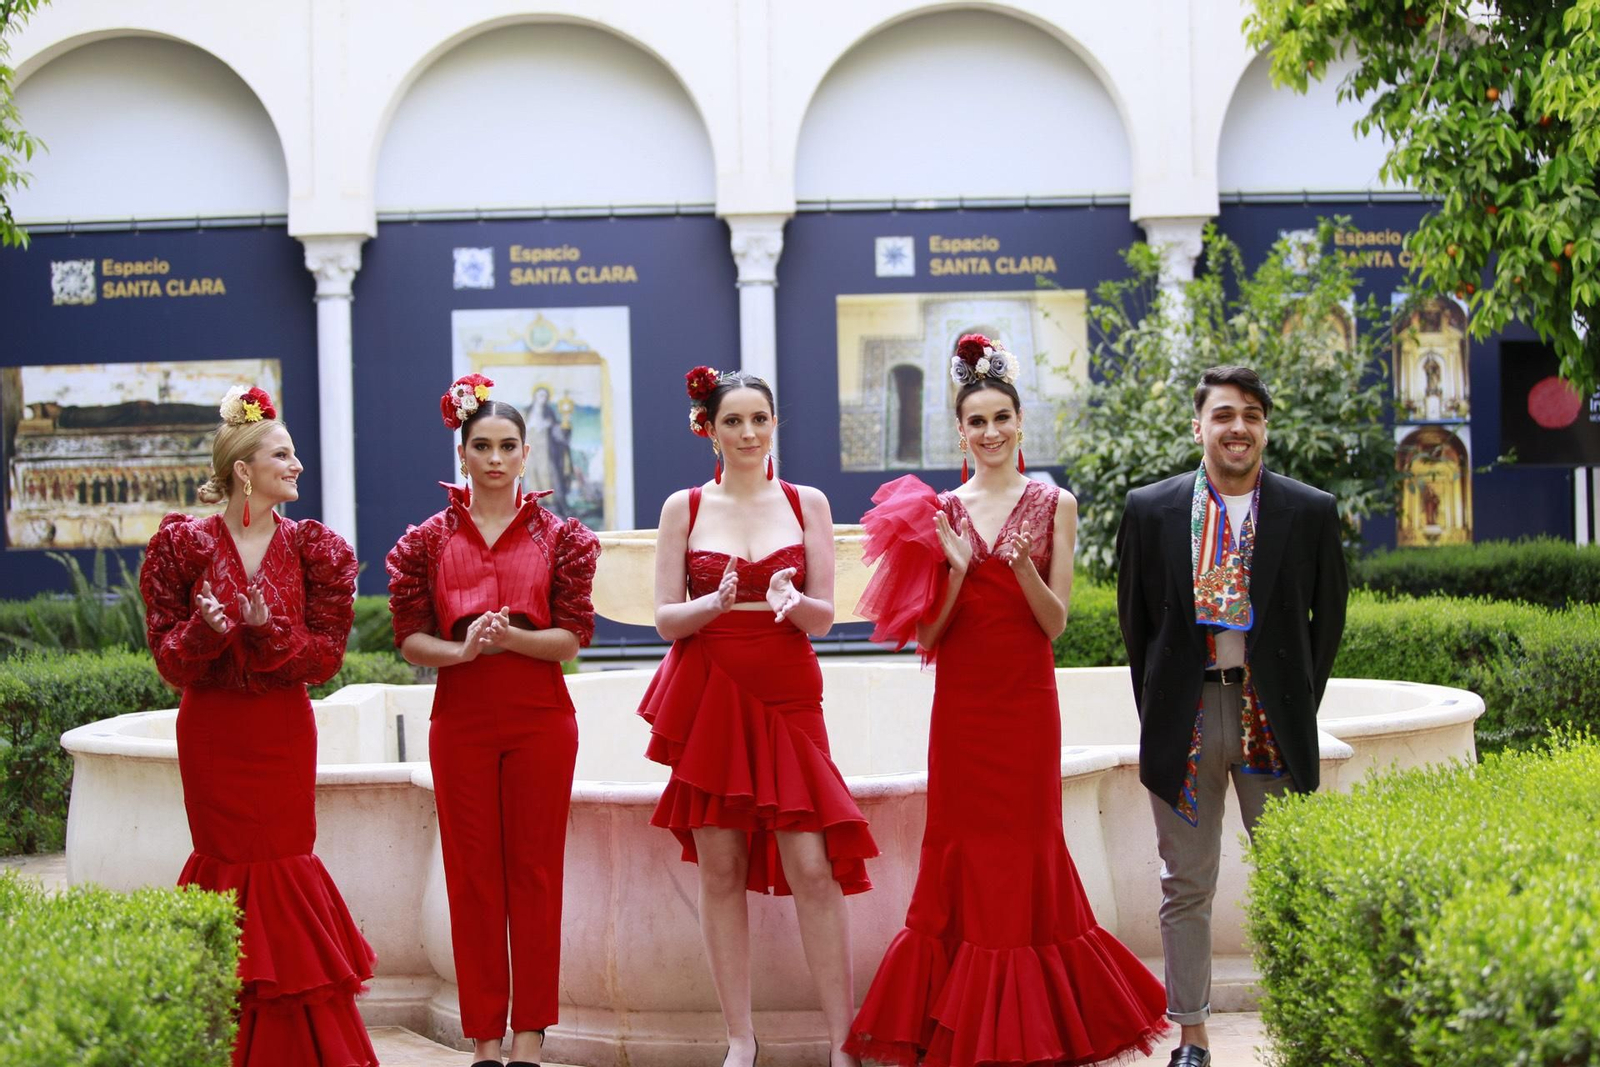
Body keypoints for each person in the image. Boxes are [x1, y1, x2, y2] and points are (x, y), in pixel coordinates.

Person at [845, 335, 1169, 1067]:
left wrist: (1021, 568)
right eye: (976, 421)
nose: (989, 432)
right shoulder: (937, 511)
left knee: (1027, 847)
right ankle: (958, 1019)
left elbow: (1054, 624)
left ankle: (1039, 1021)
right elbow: (928, 634)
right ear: (959, 432)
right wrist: (957, 570)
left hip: (1025, 703)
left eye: (1000, 418)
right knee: (958, 848)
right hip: (962, 708)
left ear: (1020, 423)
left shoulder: (1055, 502)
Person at [638, 367, 877, 1067]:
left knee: (813, 862)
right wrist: (711, 606)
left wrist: (790, 601)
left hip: (787, 685)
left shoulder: (808, 502)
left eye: (758, 419)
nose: (747, 432)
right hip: (710, 683)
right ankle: (740, 1037)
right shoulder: (683, 506)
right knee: (720, 862)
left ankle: (842, 1039)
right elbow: (661, 618)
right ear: (708, 429)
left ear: (776, 424)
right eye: (733, 420)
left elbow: (827, 615)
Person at [1115, 365, 1348, 1067]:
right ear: (1199, 427)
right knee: (1185, 882)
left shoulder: (1308, 510)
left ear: (1265, 427)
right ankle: (1191, 1035)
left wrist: (1293, 704)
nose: (1237, 426)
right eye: (1223, 414)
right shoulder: (1151, 509)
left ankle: (1305, 1026)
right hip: (1185, 716)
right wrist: (1161, 710)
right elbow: (1137, 628)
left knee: (1288, 873)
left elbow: (1327, 623)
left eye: (1250, 413)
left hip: (1267, 716)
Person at [139, 385, 378, 1067]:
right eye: (284, 453)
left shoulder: (316, 550)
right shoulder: (182, 545)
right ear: (245, 469)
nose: (297, 463)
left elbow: (325, 659)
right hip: (213, 732)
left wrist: (265, 629)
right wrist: (205, 630)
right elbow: (166, 659)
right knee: (225, 866)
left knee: (283, 866)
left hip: (280, 730)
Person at [385, 373, 600, 1067]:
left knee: (535, 874)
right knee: (470, 876)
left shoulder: (561, 537)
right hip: (461, 716)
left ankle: (530, 1037)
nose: (497, 458)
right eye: (483, 445)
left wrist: (510, 641)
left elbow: (570, 639)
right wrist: (464, 648)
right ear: (463, 454)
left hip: (541, 715)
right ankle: (483, 1039)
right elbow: (411, 637)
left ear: (527, 452)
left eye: (509, 445)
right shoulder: (425, 540)